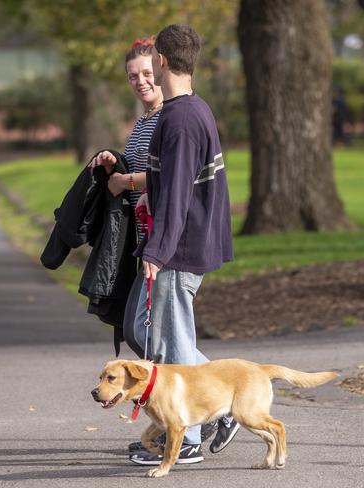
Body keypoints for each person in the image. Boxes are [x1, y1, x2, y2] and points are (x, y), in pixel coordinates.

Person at [125, 24, 238, 467]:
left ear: (163, 62)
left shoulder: (183, 120)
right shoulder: (185, 112)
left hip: (180, 247)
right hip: (178, 241)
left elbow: (177, 198)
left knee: (172, 346)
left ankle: (186, 437)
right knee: (143, 330)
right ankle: (223, 402)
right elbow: (170, 185)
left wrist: (156, 251)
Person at [90, 37, 163, 238]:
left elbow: (168, 175)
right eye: (133, 76)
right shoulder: (142, 121)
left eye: (147, 73)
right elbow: (138, 166)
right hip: (144, 236)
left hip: (164, 238)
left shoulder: (167, 119)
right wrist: (112, 164)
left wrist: (123, 182)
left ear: (160, 71)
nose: (140, 81)